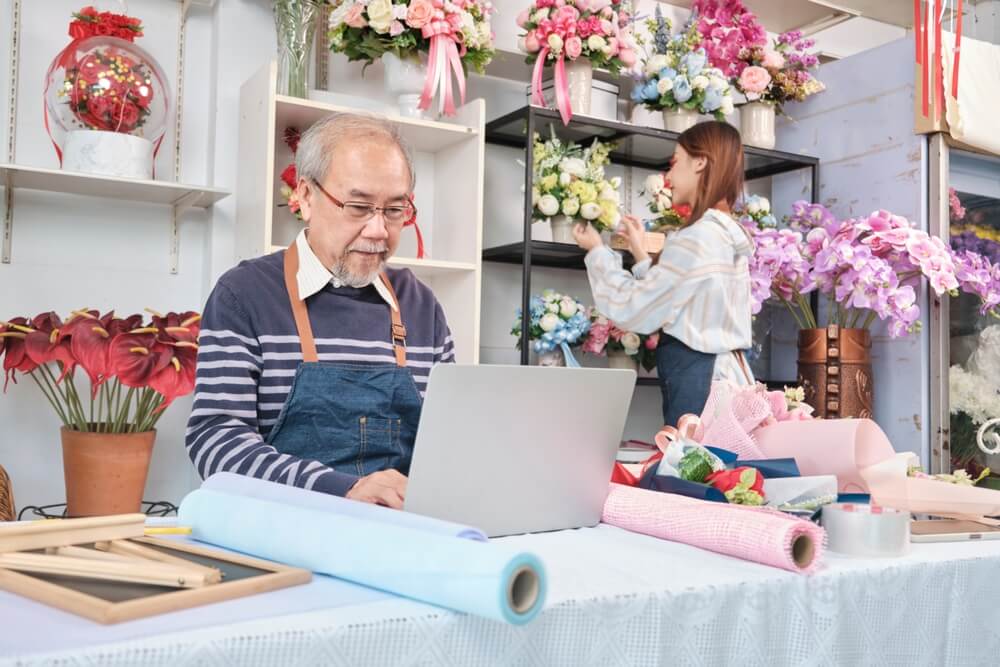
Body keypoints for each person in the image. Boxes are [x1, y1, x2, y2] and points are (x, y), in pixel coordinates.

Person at [185, 113, 455, 509]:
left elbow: (448, 444)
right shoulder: (243, 296)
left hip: (399, 530)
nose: (379, 230)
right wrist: (342, 489)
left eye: (395, 210)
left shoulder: (421, 306)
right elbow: (216, 439)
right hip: (281, 531)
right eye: (359, 207)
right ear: (306, 197)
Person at [573, 121, 754, 427]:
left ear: (700, 163)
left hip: (698, 382)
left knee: (693, 471)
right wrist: (642, 254)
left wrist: (596, 252)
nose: (668, 177)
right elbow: (685, 297)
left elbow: (635, 307)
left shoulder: (697, 238)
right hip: (725, 376)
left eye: (675, 162)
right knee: (724, 472)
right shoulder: (725, 233)